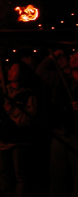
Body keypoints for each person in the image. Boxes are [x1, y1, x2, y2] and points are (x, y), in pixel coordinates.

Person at [36, 50, 77, 197]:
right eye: (73, 56)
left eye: (76, 57)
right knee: (57, 172)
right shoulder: (60, 79)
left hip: (76, 133)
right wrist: (50, 57)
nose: (73, 59)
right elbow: (41, 71)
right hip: (60, 130)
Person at [0, 62, 37, 196]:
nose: (10, 72)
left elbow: (28, 119)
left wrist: (12, 110)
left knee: (20, 174)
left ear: (22, 74)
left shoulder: (29, 95)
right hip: (3, 137)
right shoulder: (2, 91)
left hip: (19, 139)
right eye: (10, 69)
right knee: (4, 171)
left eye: (15, 70)